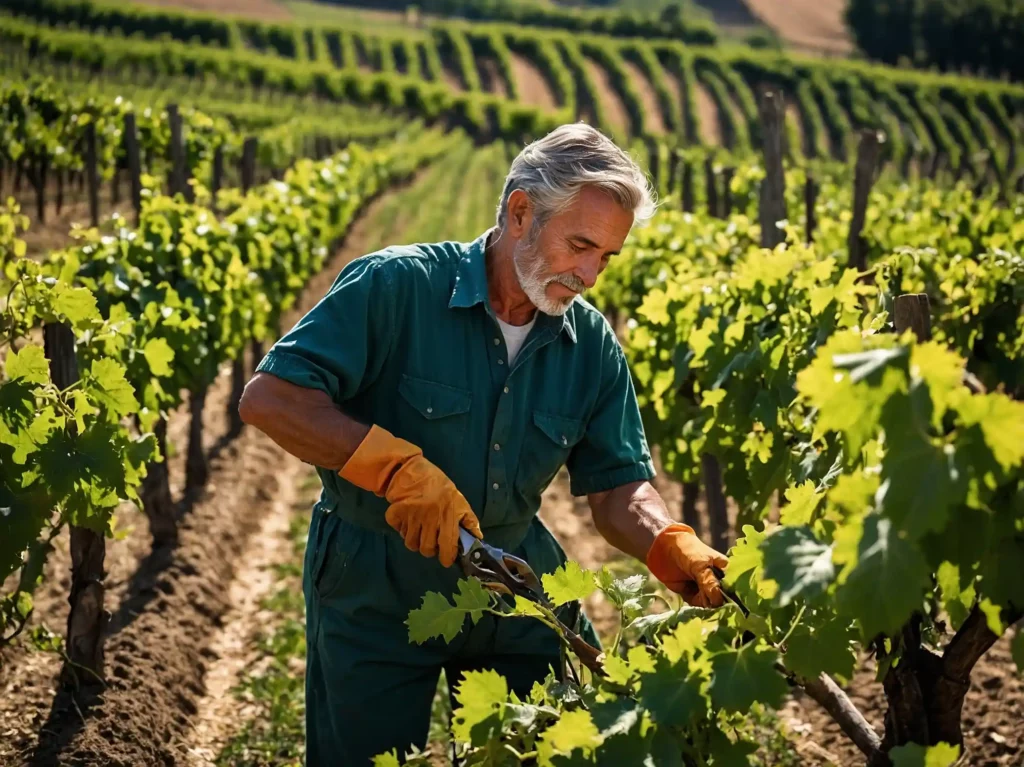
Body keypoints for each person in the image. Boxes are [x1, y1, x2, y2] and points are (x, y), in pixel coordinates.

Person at [239, 123, 730, 765]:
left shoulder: (591, 345)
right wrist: (395, 472)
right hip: (375, 584)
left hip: (516, 586)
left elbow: (616, 485)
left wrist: (670, 541)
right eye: (580, 245)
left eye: (606, 257)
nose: (590, 275)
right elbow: (271, 399)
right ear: (521, 212)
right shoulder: (396, 287)